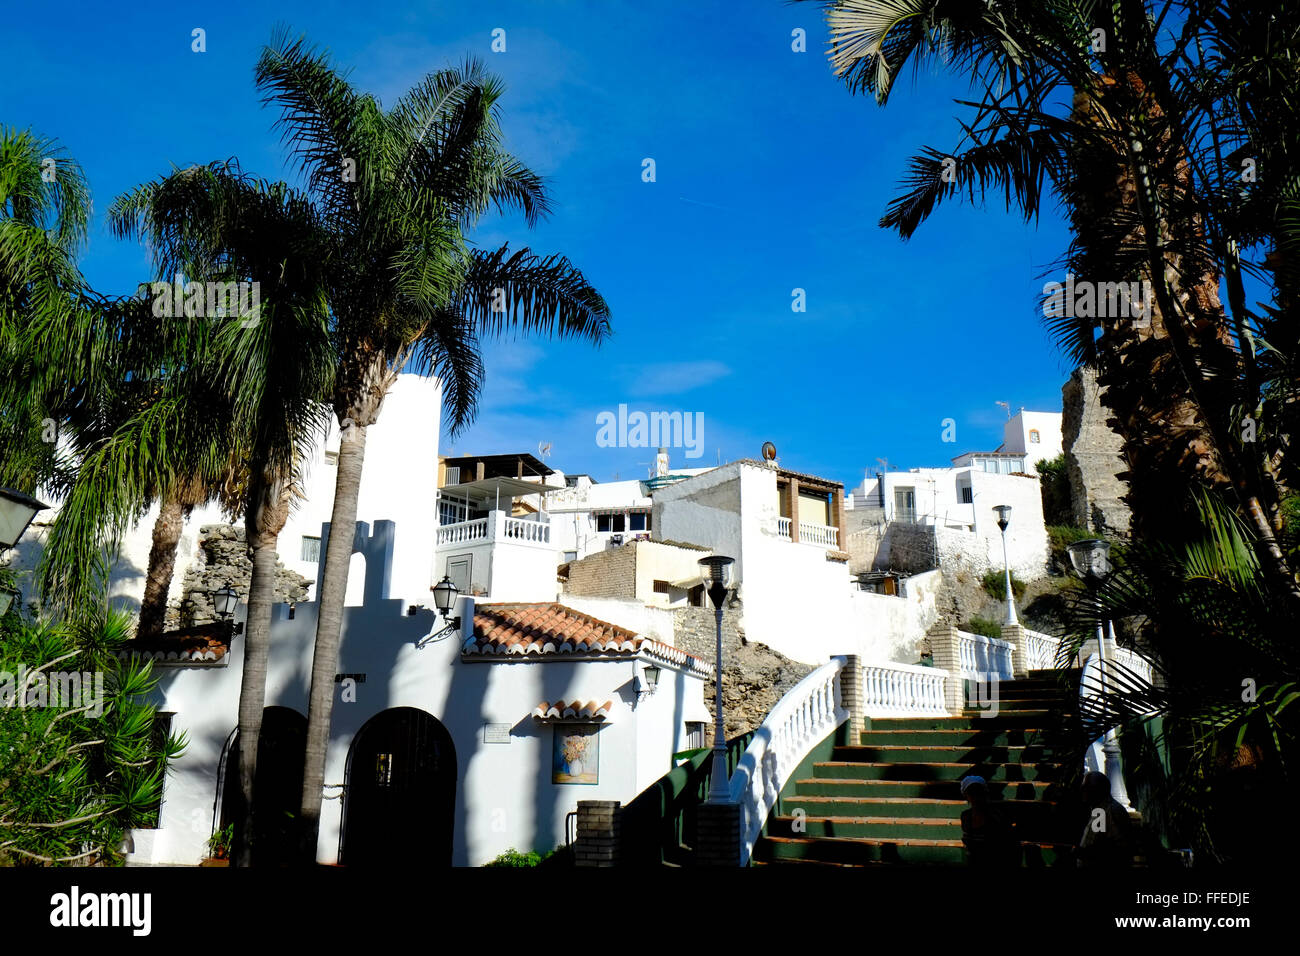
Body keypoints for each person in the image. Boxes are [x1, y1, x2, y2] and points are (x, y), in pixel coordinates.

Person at [1076, 771, 1136, 867]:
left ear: (1097, 790)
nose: (1082, 791)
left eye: (1086, 787)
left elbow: (1105, 848)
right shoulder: (1100, 808)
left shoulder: (1108, 810)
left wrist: (1080, 852)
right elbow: (1095, 840)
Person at [959, 775, 1017, 867]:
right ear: (966, 796)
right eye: (971, 793)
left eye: (978, 792)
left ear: (985, 793)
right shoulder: (965, 816)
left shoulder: (996, 816)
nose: (975, 796)